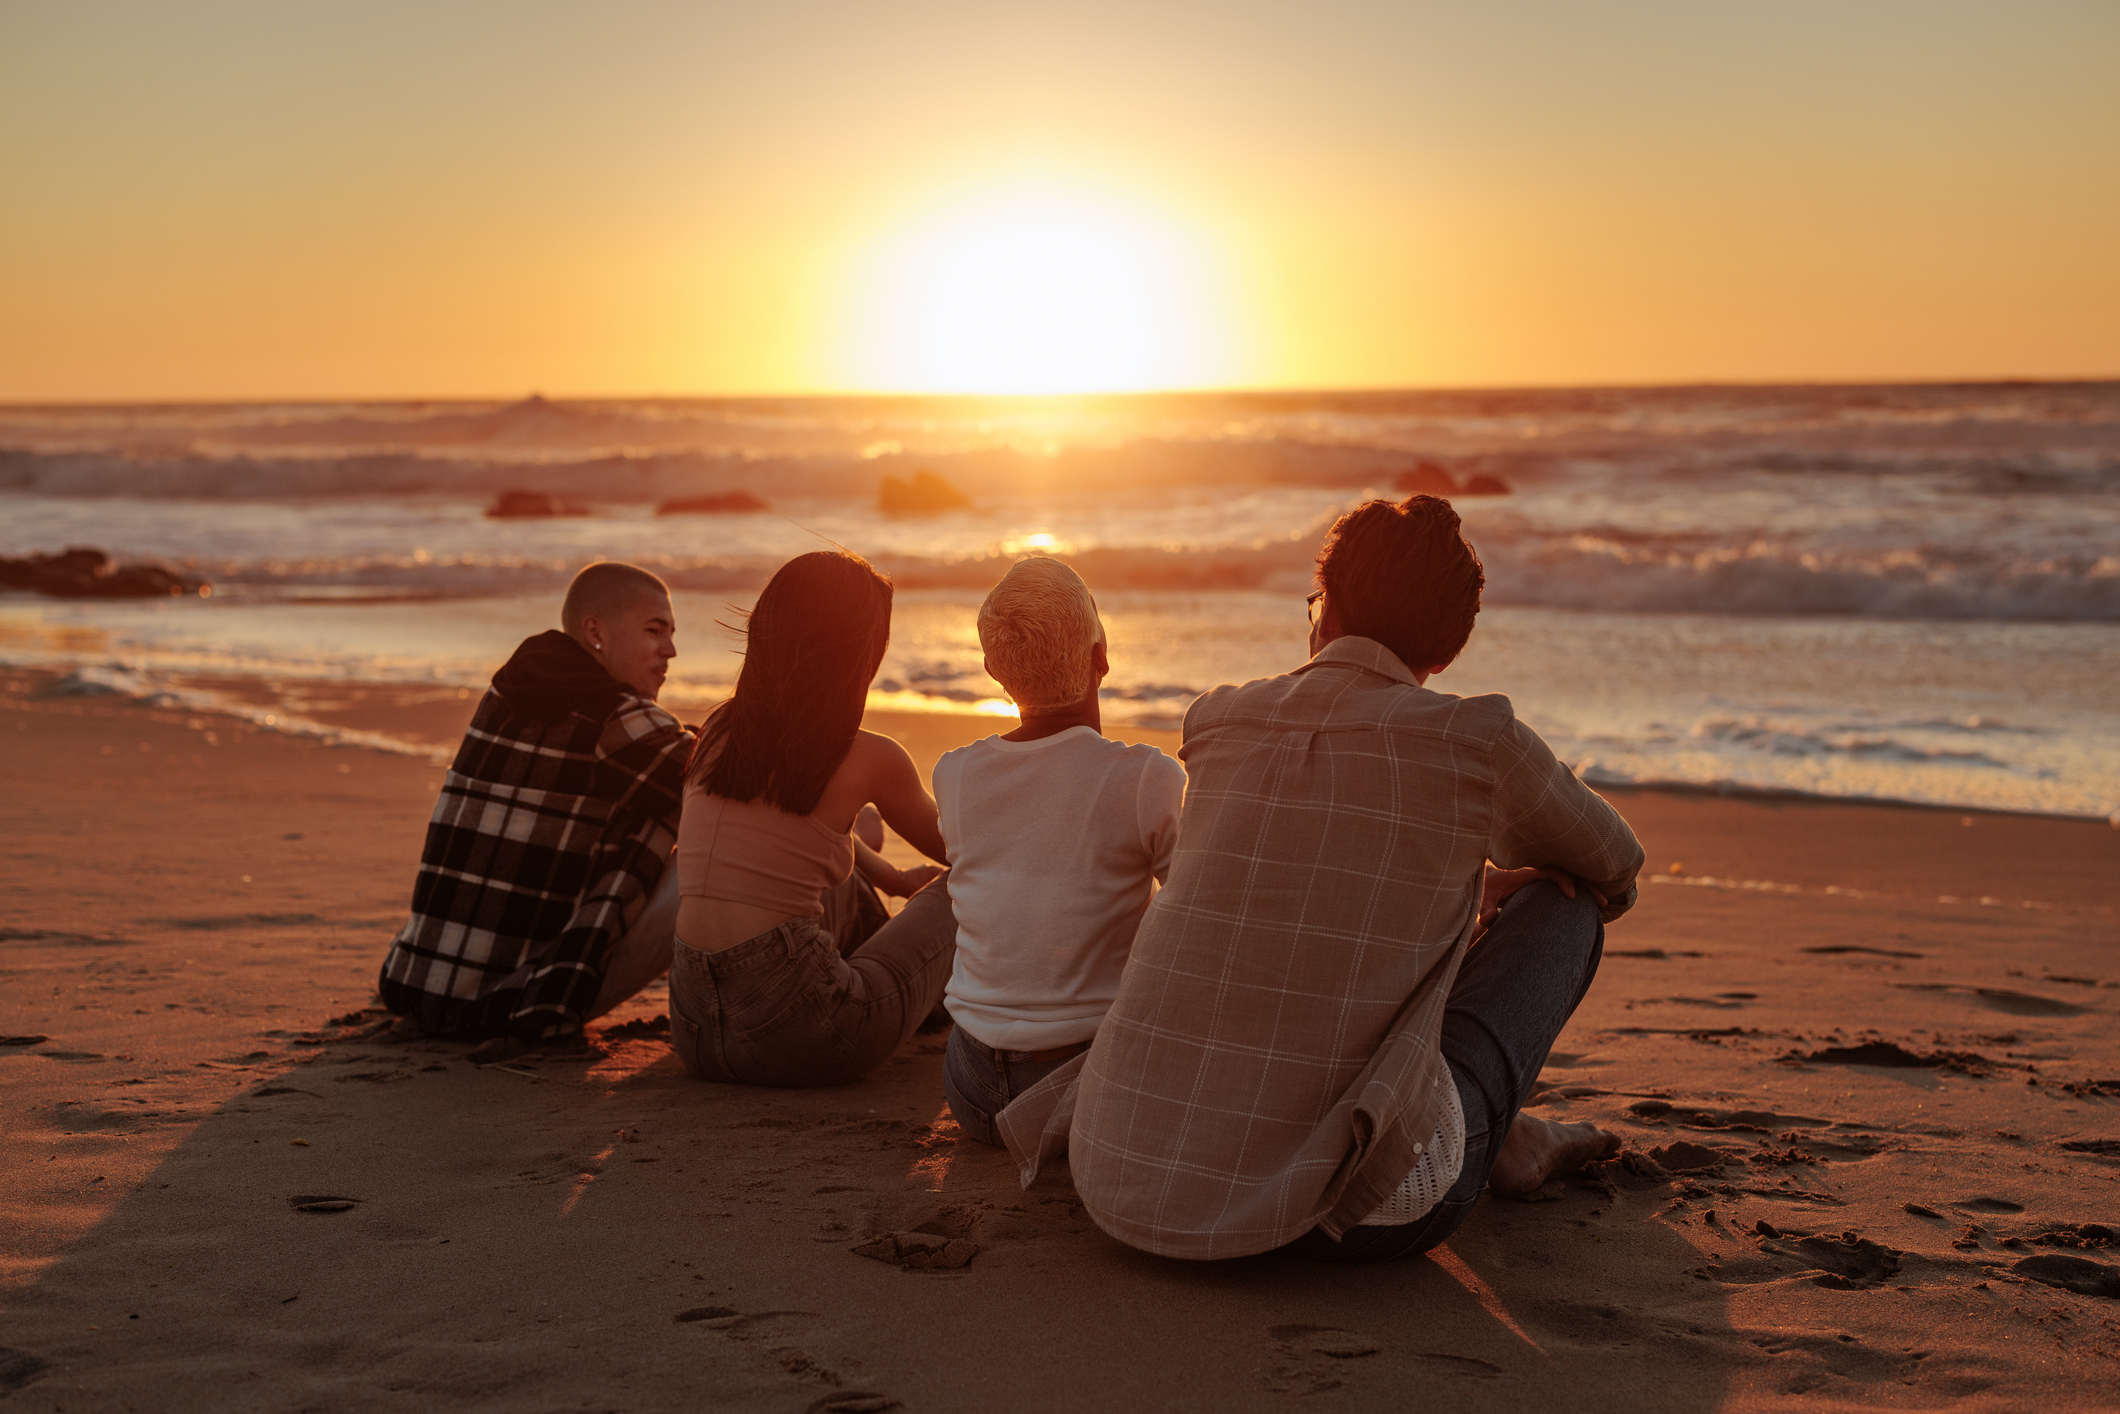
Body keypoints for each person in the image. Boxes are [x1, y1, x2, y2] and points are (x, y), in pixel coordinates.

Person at [998, 495, 1645, 1261]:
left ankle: (1503, 1125)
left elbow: (1287, 894)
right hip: (1346, 1209)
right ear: (1444, 651)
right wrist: (1488, 870)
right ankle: (1504, 1135)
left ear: (1326, 608)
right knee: (1564, 911)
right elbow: (1616, 869)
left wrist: (1454, 884)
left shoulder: (1216, 722)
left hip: (1125, 1168)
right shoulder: (1475, 737)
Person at [377, 562, 694, 1054]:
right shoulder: (617, 719)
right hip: (517, 1002)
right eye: (655, 631)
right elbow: (733, 782)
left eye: (671, 634)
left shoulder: (508, 695)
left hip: (422, 984)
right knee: (732, 829)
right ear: (595, 633)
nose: (670, 650)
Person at [669, 549, 957, 1088]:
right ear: (859, 652)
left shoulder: (722, 729)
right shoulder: (870, 756)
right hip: (810, 1033)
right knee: (969, 887)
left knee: (849, 844)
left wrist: (893, 878)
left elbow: (797, 836)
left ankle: (923, 999)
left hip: (696, 1031)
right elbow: (965, 852)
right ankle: (950, 1004)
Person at [933, 558, 1184, 1145]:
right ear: (1102, 656)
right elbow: (1196, 913)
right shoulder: (1146, 776)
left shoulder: (955, 773)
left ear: (995, 670)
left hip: (969, 1085)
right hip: (1085, 1083)